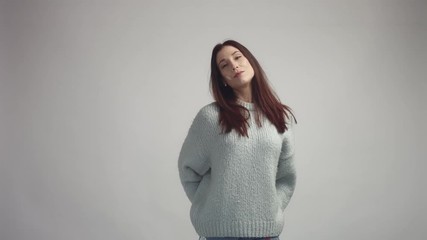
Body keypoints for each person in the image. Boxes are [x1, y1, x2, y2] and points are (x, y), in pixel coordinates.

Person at [178, 40, 297, 240]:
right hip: (219, 235)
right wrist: (209, 206)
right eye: (224, 65)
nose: (234, 65)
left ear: (251, 61)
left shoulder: (279, 116)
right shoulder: (210, 117)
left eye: (237, 57)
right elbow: (188, 169)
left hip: (266, 233)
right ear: (222, 79)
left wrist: (271, 208)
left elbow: (286, 176)